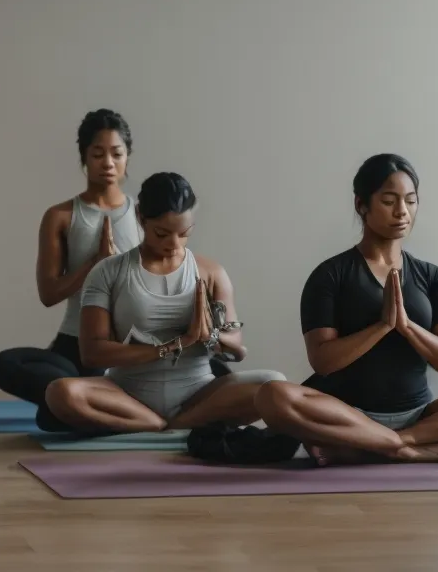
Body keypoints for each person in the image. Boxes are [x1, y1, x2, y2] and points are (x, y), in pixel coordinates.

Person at [255, 154, 438, 465]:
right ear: (361, 205)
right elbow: (322, 361)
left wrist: (406, 327)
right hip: (345, 416)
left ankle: (393, 444)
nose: (402, 211)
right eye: (389, 201)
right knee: (272, 396)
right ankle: (404, 450)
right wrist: (380, 327)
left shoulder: (434, 278)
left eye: (410, 201)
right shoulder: (330, 275)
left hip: (418, 417)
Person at [44, 172, 285, 432]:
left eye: (184, 233)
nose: (173, 244)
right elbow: (92, 354)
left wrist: (209, 337)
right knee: (61, 393)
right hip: (127, 394)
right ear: (140, 217)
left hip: (199, 394)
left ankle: (179, 422)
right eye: (162, 233)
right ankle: (156, 424)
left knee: (274, 384)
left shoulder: (211, 272)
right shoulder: (107, 272)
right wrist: (173, 346)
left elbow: (236, 346)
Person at [0, 109, 145, 431]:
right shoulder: (60, 216)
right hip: (73, 347)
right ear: (84, 158)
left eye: (117, 154)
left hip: (126, 346)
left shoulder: (144, 216)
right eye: (98, 154)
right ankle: (89, 400)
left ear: (128, 157)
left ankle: (84, 405)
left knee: (52, 416)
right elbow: (49, 293)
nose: (108, 163)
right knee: (4, 364)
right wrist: (94, 265)